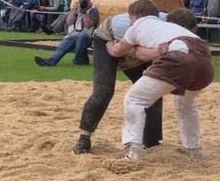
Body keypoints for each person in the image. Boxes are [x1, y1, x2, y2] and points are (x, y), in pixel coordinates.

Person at [110, 2, 214, 161]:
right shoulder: (167, 28)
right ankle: (193, 149)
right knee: (186, 104)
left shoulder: (137, 26)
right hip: (205, 61)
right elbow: (149, 54)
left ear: (136, 16)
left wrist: (108, 45)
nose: (129, 22)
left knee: (134, 99)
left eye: (130, 18)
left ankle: (133, 150)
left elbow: (118, 51)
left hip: (178, 57)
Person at [73, 8, 170, 155]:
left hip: (136, 47)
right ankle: (84, 138)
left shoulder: (175, 30)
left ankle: (151, 140)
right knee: (104, 90)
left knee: (151, 90)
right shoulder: (130, 27)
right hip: (109, 41)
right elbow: (118, 51)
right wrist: (156, 53)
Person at [34, 0, 100, 66]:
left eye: (85, 1)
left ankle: (79, 60)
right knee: (63, 45)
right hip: (75, 34)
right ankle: (50, 61)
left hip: (88, 37)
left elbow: (88, 25)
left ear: (89, 1)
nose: (83, 3)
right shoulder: (76, 9)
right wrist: (74, 10)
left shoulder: (93, 10)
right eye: (81, 1)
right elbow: (69, 22)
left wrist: (84, 12)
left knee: (82, 37)